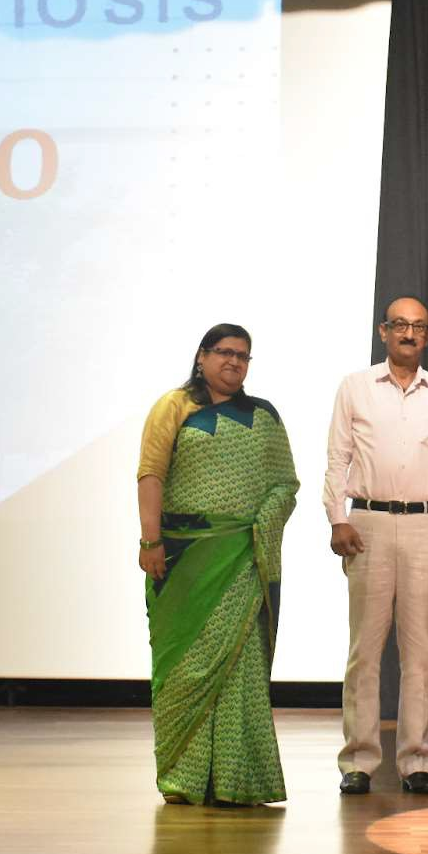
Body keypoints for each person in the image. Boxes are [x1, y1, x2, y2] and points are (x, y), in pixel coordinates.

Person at [136, 323, 299, 806]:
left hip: (243, 559)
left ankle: (236, 779)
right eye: (225, 352)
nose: (234, 362)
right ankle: (183, 778)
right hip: (185, 557)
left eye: (244, 356)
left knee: (241, 668)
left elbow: (285, 484)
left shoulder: (264, 416)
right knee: (184, 667)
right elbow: (151, 475)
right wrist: (150, 540)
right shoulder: (174, 407)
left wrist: (258, 525)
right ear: (202, 356)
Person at [323, 296, 428, 798]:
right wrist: (337, 517)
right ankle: (358, 760)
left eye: (418, 326)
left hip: (427, 526)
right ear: (383, 332)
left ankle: (416, 761)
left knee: (420, 650)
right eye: (400, 325)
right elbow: (337, 458)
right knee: (365, 649)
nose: (409, 333)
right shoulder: (355, 387)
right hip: (367, 523)